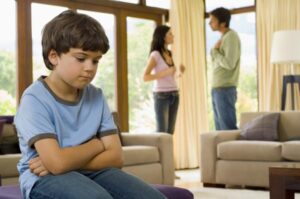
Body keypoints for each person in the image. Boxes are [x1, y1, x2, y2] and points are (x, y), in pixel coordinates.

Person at [14, 10, 167, 199]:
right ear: (54, 56)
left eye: (96, 60)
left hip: (92, 172)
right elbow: (57, 165)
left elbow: (116, 157)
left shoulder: (96, 96)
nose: (90, 68)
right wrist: (95, 145)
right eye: (81, 58)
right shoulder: (34, 99)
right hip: (43, 177)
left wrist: (64, 159)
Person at [143, 25, 185, 135]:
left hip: (175, 94)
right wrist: (165, 72)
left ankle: (168, 153)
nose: (173, 36)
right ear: (163, 37)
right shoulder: (155, 54)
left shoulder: (169, 53)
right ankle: (159, 153)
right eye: (170, 34)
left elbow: (171, 77)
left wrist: (180, 72)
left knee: (171, 132)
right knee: (162, 132)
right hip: (162, 96)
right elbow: (145, 77)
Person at [209, 7, 241, 130]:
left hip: (225, 89)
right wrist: (215, 52)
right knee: (220, 130)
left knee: (227, 129)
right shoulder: (224, 37)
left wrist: (215, 51)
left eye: (213, 20)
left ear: (223, 23)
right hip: (218, 88)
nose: (209, 23)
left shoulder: (231, 37)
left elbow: (229, 63)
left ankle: (233, 150)